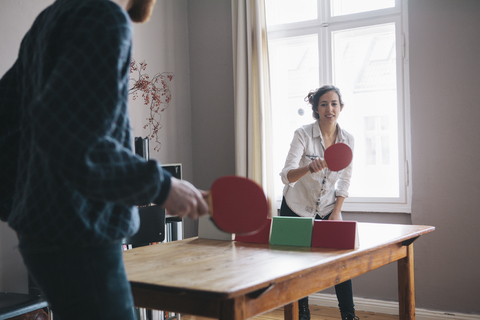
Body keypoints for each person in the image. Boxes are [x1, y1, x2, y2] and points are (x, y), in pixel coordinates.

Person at [0, 0, 209, 319]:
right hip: (82, 234)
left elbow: (10, 122)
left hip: (41, 236)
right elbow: (79, 140)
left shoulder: (53, 17)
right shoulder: (104, 17)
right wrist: (163, 186)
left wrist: (23, 206)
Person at [279, 85, 358, 320]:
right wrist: (307, 167)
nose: (329, 109)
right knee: (297, 266)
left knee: (340, 263)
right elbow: (286, 175)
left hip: (328, 208)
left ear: (341, 108)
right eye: (323, 104)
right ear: (316, 109)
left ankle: (349, 314)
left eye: (334, 104)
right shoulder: (302, 134)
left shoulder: (348, 140)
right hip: (295, 207)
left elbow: (345, 180)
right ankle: (301, 313)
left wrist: (336, 212)